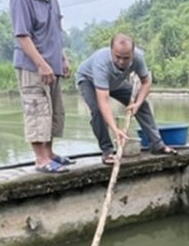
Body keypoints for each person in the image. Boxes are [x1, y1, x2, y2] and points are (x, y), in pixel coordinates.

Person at [10, 0, 72, 173]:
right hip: (32, 66)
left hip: (52, 66)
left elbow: (56, 32)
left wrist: (62, 58)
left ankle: (50, 154)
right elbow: (22, 36)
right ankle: (41, 160)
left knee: (54, 112)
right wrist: (41, 63)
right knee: (36, 110)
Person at [75, 34, 177, 164]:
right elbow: (103, 102)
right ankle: (107, 151)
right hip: (89, 80)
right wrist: (115, 129)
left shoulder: (138, 58)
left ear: (133, 53)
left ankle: (157, 145)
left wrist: (137, 103)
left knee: (143, 105)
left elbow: (146, 82)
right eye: (117, 57)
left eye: (126, 58)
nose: (122, 62)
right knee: (97, 111)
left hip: (115, 82)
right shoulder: (102, 63)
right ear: (111, 50)